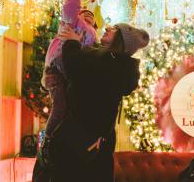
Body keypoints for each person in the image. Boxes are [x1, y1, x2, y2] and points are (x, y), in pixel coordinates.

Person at [48, 23, 150, 182]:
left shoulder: (107, 62)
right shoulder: (118, 64)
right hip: (98, 141)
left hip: (81, 139)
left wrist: (73, 42)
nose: (108, 28)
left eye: (115, 29)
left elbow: (75, 68)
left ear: (121, 39)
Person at [40, 0, 97, 164]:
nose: (88, 16)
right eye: (85, 13)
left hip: (70, 76)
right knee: (60, 107)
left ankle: (62, 143)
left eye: (91, 16)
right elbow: (71, 6)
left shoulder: (92, 39)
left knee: (71, 110)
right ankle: (46, 142)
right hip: (56, 70)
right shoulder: (72, 22)